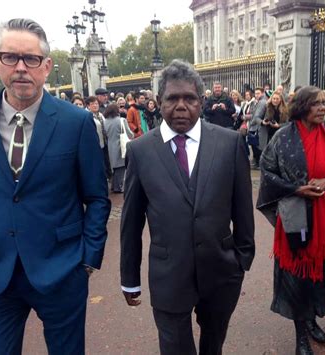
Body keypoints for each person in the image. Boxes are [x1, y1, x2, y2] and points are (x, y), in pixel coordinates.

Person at [0, 18, 110, 354]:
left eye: (30, 59)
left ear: (46, 67)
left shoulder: (76, 123)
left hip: (61, 270)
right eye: (10, 57)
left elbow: (97, 197)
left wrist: (88, 259)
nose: (20, 68)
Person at [120, 59, 255, 355]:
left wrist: (242, 259)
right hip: (168, 275)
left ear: (202, 101)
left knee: (213, 346)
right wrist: (129, 278)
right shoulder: (140, 151)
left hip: (221, 273)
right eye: (172, 98)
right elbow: (130, 222)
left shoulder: (229, 144)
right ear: (159, 102)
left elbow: (243, 208)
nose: (181, 106)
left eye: (190, 98)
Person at [257, 86, 325, 355]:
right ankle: (301, 335)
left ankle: (311, 320)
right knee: (297, 277)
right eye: (316, 104)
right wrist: (295, 189)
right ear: (302, 107)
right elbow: (267, 172)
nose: (323, 108)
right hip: (295, 217)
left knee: (318, 273)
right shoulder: (282, 138)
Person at [86, 96, 112, 179]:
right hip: (94, 144)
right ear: (88, 106)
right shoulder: (86, 116)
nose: (95, 105)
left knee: (106, 161)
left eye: (96, 103)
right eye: (92, 104)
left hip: (103, 142)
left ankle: (107, 176)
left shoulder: (100, 115)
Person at [103, 104, 126, 193]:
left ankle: (113, 185)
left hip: (110, 145)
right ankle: (118, 187)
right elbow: (128, 132)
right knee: (121, 166)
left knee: (114, 167)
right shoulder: (121, 120)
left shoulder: (105, 121)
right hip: (121, 145)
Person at [247, 87, 267, 169]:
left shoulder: (262, 102)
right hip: (256, 126)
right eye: (255, 93)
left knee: (257, 146)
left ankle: (259, 163)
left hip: (257, 127)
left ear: (262, 93)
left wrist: (251, 122)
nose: (256, 95)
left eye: (258, 93)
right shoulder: (257, 102)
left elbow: (257, 116)